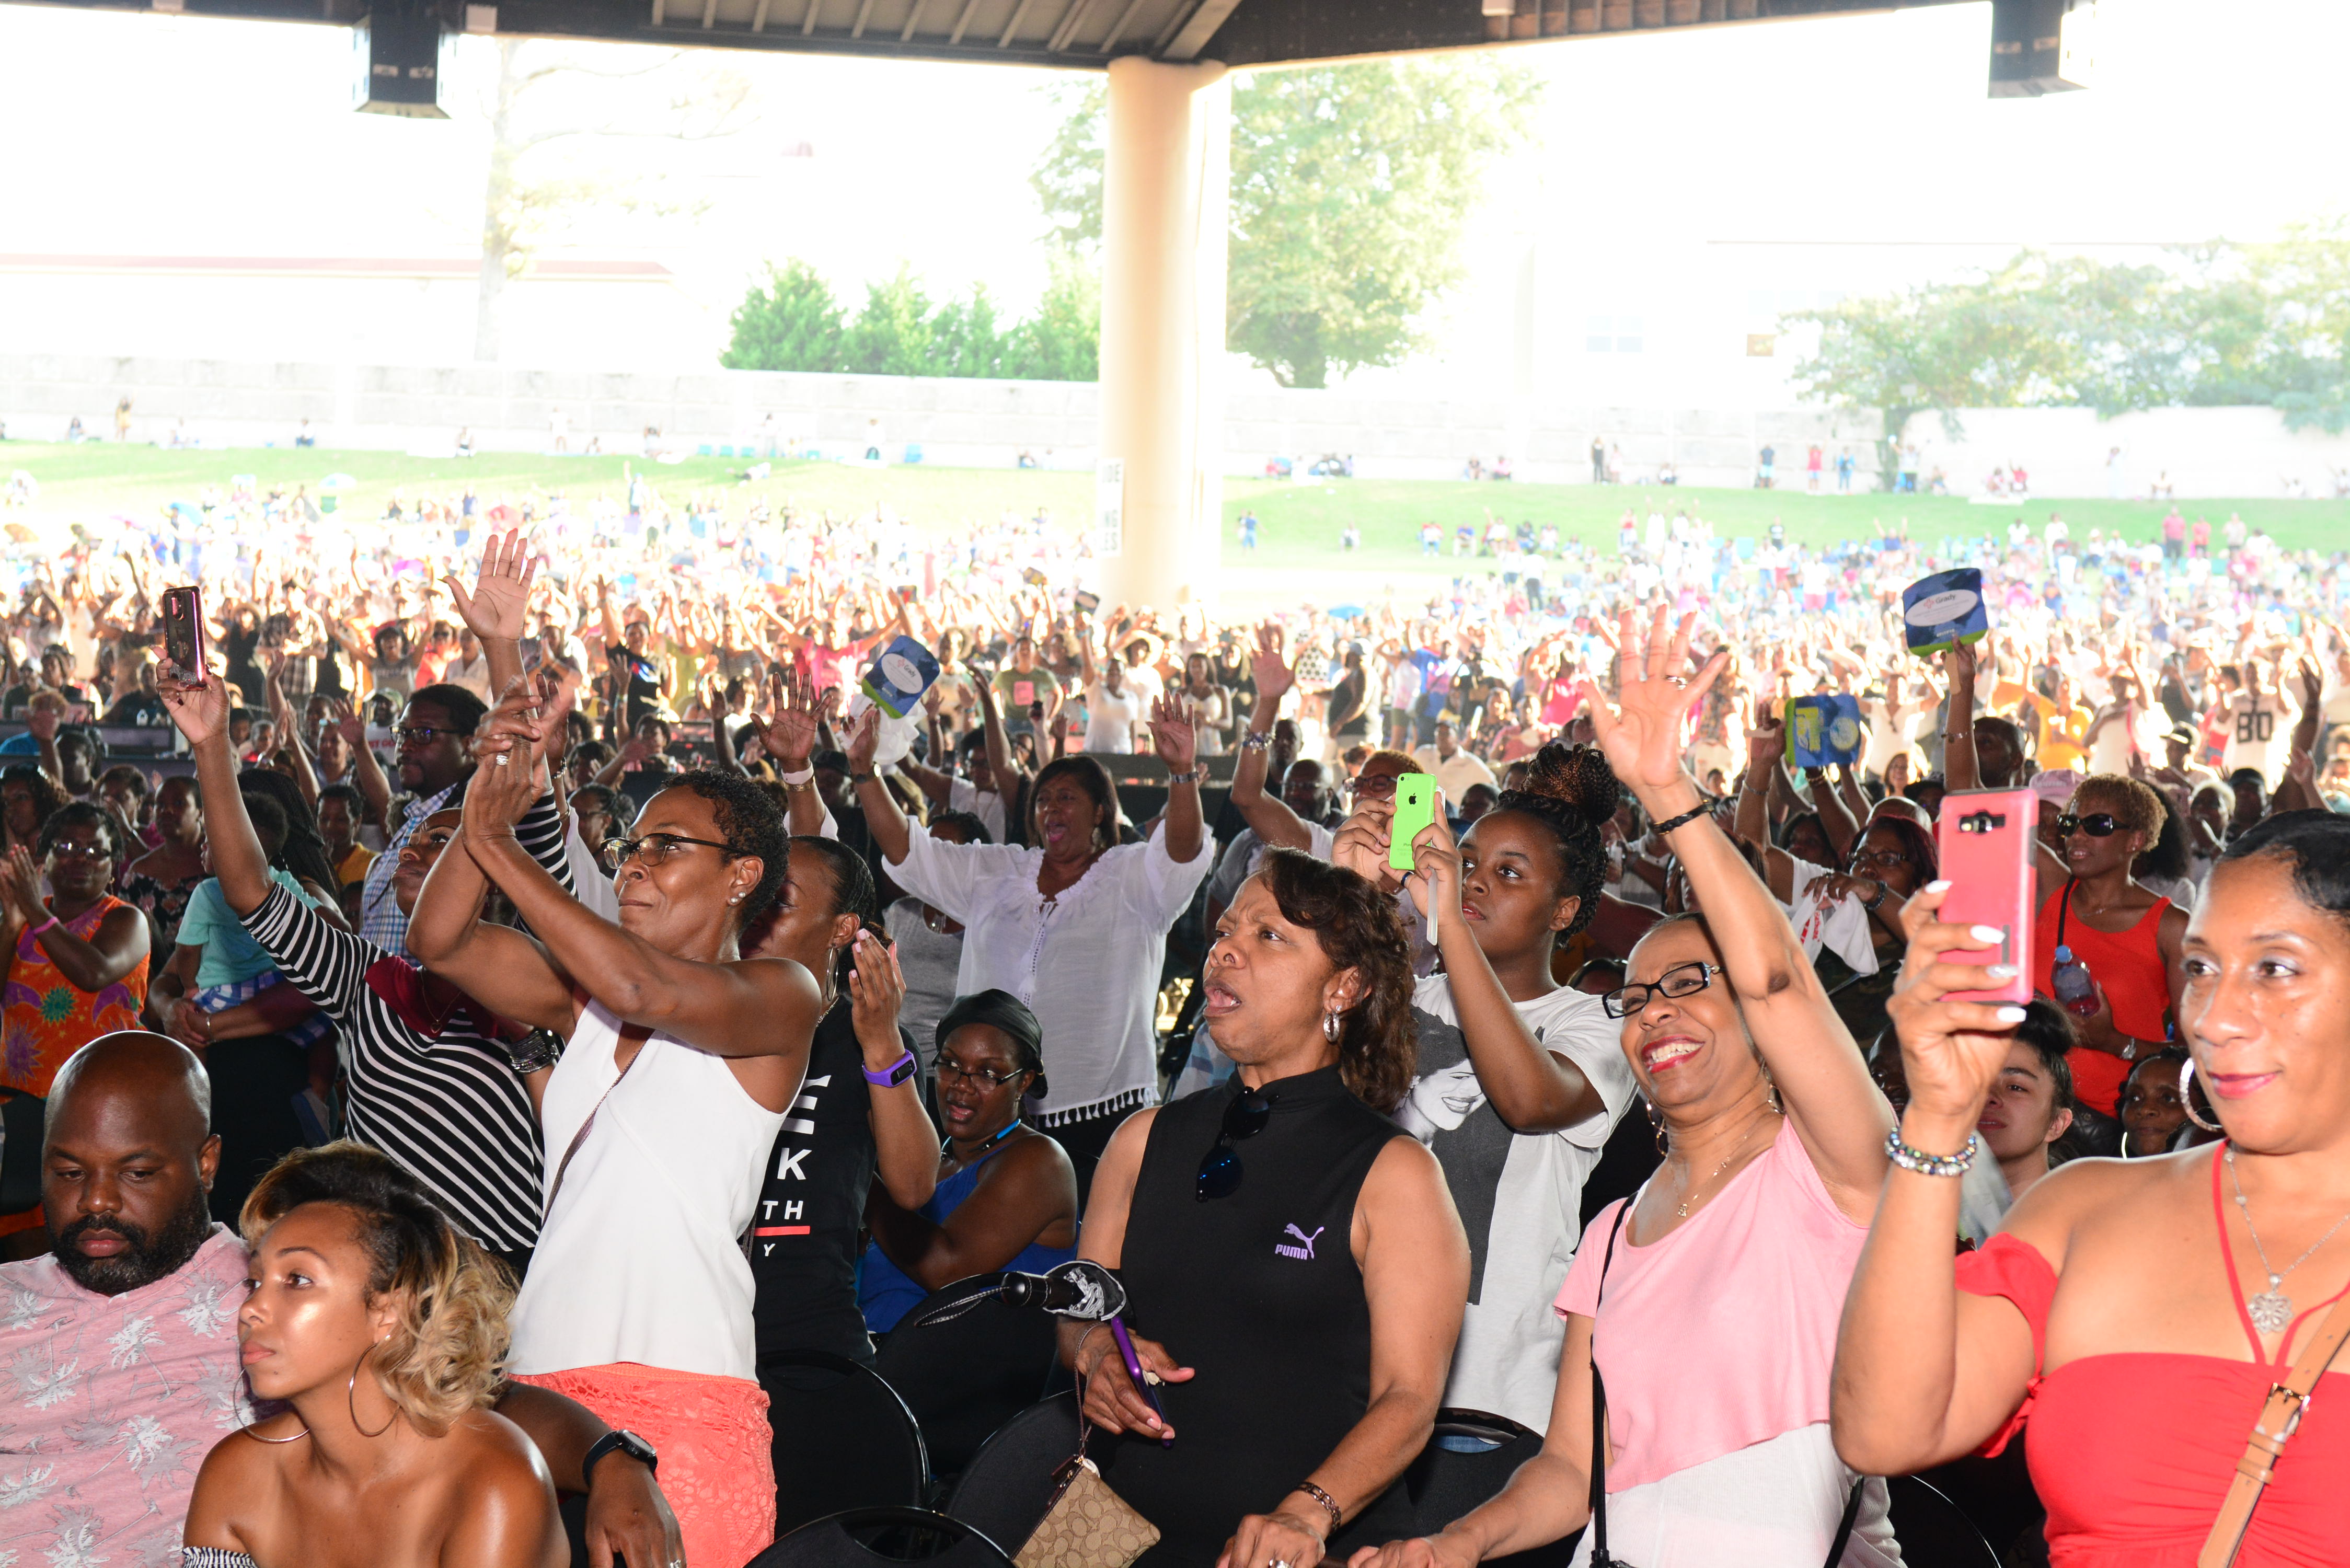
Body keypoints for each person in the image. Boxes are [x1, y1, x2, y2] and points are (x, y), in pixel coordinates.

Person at [1354, 610, 1898, 1567]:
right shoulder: (1611, 1239)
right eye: (1640, 995)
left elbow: (1776, 975)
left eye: (1693, 982)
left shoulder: (1832, 1177)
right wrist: (1453, 1546)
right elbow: (1571, 1470)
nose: (1653, 1012)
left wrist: (1669, 794)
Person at [1833, 809, 2350, 1565]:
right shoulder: (2084, 1209)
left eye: (2274, 968)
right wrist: (1939, 1120)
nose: (2214, 1017)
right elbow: (1881, 1430)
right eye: (2201, 969)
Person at [408, 675, 827, 1567]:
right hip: (541, 1398)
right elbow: (438, 944)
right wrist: (481, 807)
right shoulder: (585, 1007)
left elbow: (645, 986)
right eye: (631, 844)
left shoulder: (781, 997)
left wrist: (496, 843)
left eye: (666, 847)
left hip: (686, 1397)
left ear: (741, 876)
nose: (633, 862)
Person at [0, 1032, 681, 1568]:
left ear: (205, 1163)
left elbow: (454, 1399)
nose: (95, 1201)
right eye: (67, 1172)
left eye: (138, 1173)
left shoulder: (287, 1286)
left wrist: (612, 1458)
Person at [1074, 849, 1470, 1567]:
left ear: (1343, 988)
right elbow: (1083, 1303)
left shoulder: (1394, 1173)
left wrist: (1308, 1512)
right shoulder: (1143, 1140)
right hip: (1110, 1530)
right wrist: (1097, 1351)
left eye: (1268, 936)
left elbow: (1409, 1399)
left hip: (1290, 1548)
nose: (1225, 949)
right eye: (1226, 931)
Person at [155, 661, 561, 1276]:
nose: (419, 850)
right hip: (392, 1271)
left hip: (510, 1270)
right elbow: (249, 891)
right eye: (417, 840)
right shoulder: (368, 978)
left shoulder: (542, 984)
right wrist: (212, 748)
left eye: (446, 842)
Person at [1329, 743, 1635, 1433]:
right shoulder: (1407, 996)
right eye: (1465, 864)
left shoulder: (1598, 1024)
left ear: (1564, 912)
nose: (1473, 883)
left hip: (1492, 1393)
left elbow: (1529, 1101)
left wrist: (1447, 930)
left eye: (1508, 873)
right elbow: (1301, 1080)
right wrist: (1350, 898)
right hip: (1362, 1366)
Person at [847, 697, 1211, 1200]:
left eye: (1066, 798)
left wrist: (1183, 773)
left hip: (1100, 1106)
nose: (1049, 809)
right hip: (993, 1104)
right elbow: (908, 851)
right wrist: (865, 773)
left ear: (1100, 811)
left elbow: (1182, 852)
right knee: (982, 1240)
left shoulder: (1132, 877)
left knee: (1087, 1251)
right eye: (1042, 800)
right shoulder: (999, 872)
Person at [182, 1142, 566, 1567]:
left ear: (389, 1311)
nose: (251, 1309)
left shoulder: (490, 1479)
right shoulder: (236, 1475)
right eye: (255, 1282)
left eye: (298, 1280)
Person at [858, 989, 1079, 1332]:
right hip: (877, 1356)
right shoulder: (927, 1160)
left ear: (1024, 1081)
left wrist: (861, 1184)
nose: (961, 1085)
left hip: (964, 1375)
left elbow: (948, 1272)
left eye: (988, 1074)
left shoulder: (1041, 1162)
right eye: (951, 1064)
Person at [0, 802, 151, 1251]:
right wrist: (11, 926)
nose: (79, 858)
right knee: (19, 1251)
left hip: (97, 1110)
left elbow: (93, 971)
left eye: (94, 850)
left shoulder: (125, 919)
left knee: (82, 1239)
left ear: (113, 865)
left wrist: (32, 909)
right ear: (43, 859)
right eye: (66, 847)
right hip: (22, 1106)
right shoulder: (25, 914)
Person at [2026, 773, 2186, 1125]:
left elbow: (2193, 1057)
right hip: (2029, 1110)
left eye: (2097, 825)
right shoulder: (2053, 891)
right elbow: (1970, 795)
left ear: (2136, 840)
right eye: (2071, 824)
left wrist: (2112, 1041)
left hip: (2110, 1121)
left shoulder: (2171, 927)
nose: (2077, 836)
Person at [883, 809, 986, 1063]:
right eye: (930, 846)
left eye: (947, 849)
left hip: (949, 1068)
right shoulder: (901, 912)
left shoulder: (986, 923)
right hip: (891, 1058)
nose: (935, 858)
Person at [1974, 1001, 2077, 1207]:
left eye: (2015, 1088)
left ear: (2056, 1123)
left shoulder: (2084, 1220)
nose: (1989, 1097)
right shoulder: (1923, 1209)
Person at [2117, 1046, 2190, 1159]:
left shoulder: (2223, 1175)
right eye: (2135, 1098)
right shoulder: (2097, 1174)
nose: (2145, 1110)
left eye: (2168, 1098)